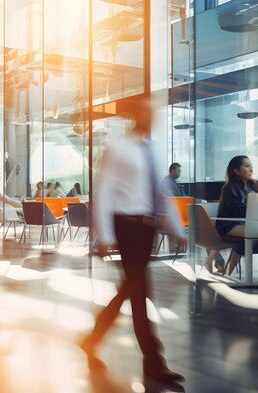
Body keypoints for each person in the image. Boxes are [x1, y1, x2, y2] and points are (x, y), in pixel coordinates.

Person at [80, 96, 186, 387]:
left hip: (147, 228)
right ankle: (154, 362)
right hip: (126, 227)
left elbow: (160, 195)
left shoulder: (151, 149)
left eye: (153, 111)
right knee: (139, 293)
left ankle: (91, 340)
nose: (152, 115)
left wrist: (177, 229)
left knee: (131, 289)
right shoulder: (116, 148)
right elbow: (103, 192)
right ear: (134, 114)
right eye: (146, 110)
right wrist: (105, 237)